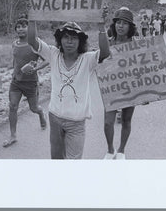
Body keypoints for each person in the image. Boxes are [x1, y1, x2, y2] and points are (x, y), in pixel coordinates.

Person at [27, 10, 110, 159]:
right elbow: (32, 41)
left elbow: (104, 52)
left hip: (76, 123)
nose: (69, 42)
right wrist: (32, 17)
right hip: (55, 117)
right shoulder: (53, 54)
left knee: (73, 163)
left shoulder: (88, 59)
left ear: (80, 42)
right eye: (66, 37)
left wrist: (101, 26)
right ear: (60, 40)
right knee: (57, 160)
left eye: (74, 38)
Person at [3, 15, 49, 148]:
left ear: (29, 29)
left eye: (24, 26)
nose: (20, 29)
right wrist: (14, 72)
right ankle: (13, 136)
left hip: (30, 83)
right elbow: (16, 61)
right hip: (16, 82)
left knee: (34, 108)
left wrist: (36, 68)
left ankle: (41, 113)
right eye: (18, 27)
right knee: (12, 106)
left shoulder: (35, 44)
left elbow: (47, 59)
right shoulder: (14, 43)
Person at [103, 7, 139, 159]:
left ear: (130, 26)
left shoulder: (137, 44)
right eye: (118, 22)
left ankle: (122, 150)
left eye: (125, 23)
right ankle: (110, 150)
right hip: (111, 88)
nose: (121, 26)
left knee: (126, 120)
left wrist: (146, 92)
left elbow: (144, 70)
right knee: (108, 122)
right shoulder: (108, 43)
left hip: (131, 88)